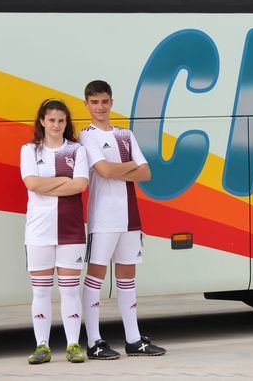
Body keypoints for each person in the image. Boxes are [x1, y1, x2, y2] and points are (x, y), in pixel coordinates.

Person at [78, 80, 166, 359]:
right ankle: (94, 342)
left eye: (104, 101)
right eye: (94, 102)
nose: (100, 107)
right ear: (87, 104)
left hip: (130, 216)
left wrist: (122, 169)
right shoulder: (86, 136)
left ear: (111, 103)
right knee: (96, 275)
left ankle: (133, 339)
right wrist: (130, 167)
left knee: (128, 275)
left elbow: (147, 173)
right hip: (103, 217)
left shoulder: (126, 135)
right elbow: (103, 170)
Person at [20, 98, 89, 364]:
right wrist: (63, 181)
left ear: (66, 123)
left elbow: (80, 185)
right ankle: (42, 346)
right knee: (40, 291)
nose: (56, 125)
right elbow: (31, 183)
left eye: (61, 120)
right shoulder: (29, 150)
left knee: (70, 290)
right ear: (42, 121)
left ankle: (73, 345)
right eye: (51, 120)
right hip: (38, 231)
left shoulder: (77, 150)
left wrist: (46, 184)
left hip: (71, 229)